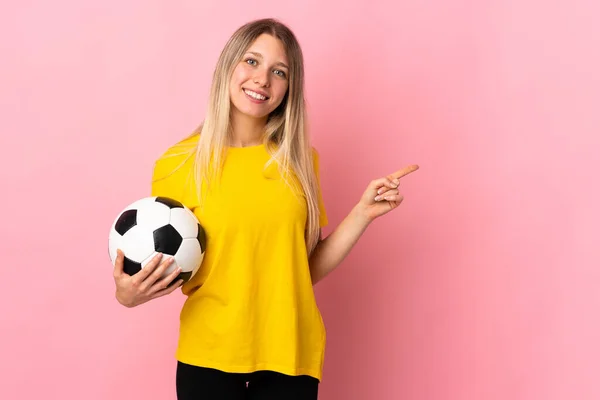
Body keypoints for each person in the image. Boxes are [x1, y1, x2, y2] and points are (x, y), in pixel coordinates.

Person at [112, 18, 418, 400]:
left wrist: (362, 213)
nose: (262, 80)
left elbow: (300, 269)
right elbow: (162, 265)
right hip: (208, 356)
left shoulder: (300, 162)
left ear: (289, 88)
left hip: (289, 357)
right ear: (228, 66)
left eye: (279, 71)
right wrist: (128, 293)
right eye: (252, 62)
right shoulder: (176, 164)